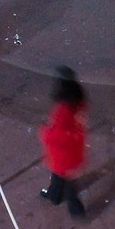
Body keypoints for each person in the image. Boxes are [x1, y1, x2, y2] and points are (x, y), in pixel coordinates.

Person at [39, 66, 88, 218]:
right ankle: (54, 195)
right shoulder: (78, 99)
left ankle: (75, 207)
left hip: (62, 154)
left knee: (65, 180)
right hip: (73, 149)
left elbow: (57, 135)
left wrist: (44, 131)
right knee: (61, 177)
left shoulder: (63, 109)